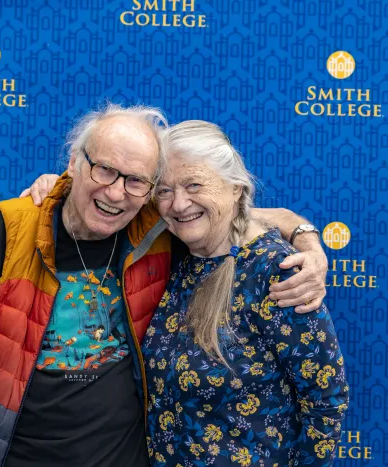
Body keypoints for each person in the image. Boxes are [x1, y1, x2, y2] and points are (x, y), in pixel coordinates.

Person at [0, 103, 327, 467]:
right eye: (104, 170)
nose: (116, 193)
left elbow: (224, 213)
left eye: (135, 181)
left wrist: (305, 235)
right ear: (74, 163)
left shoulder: (155, 226)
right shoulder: (13, 227)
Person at [143, 120, 348, 466]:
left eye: (194, 184)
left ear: (235, 188)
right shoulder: (173, 255)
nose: (178, 204)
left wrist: (307, 240)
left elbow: (326, 399)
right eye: (163, 190)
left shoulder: (276, 270)